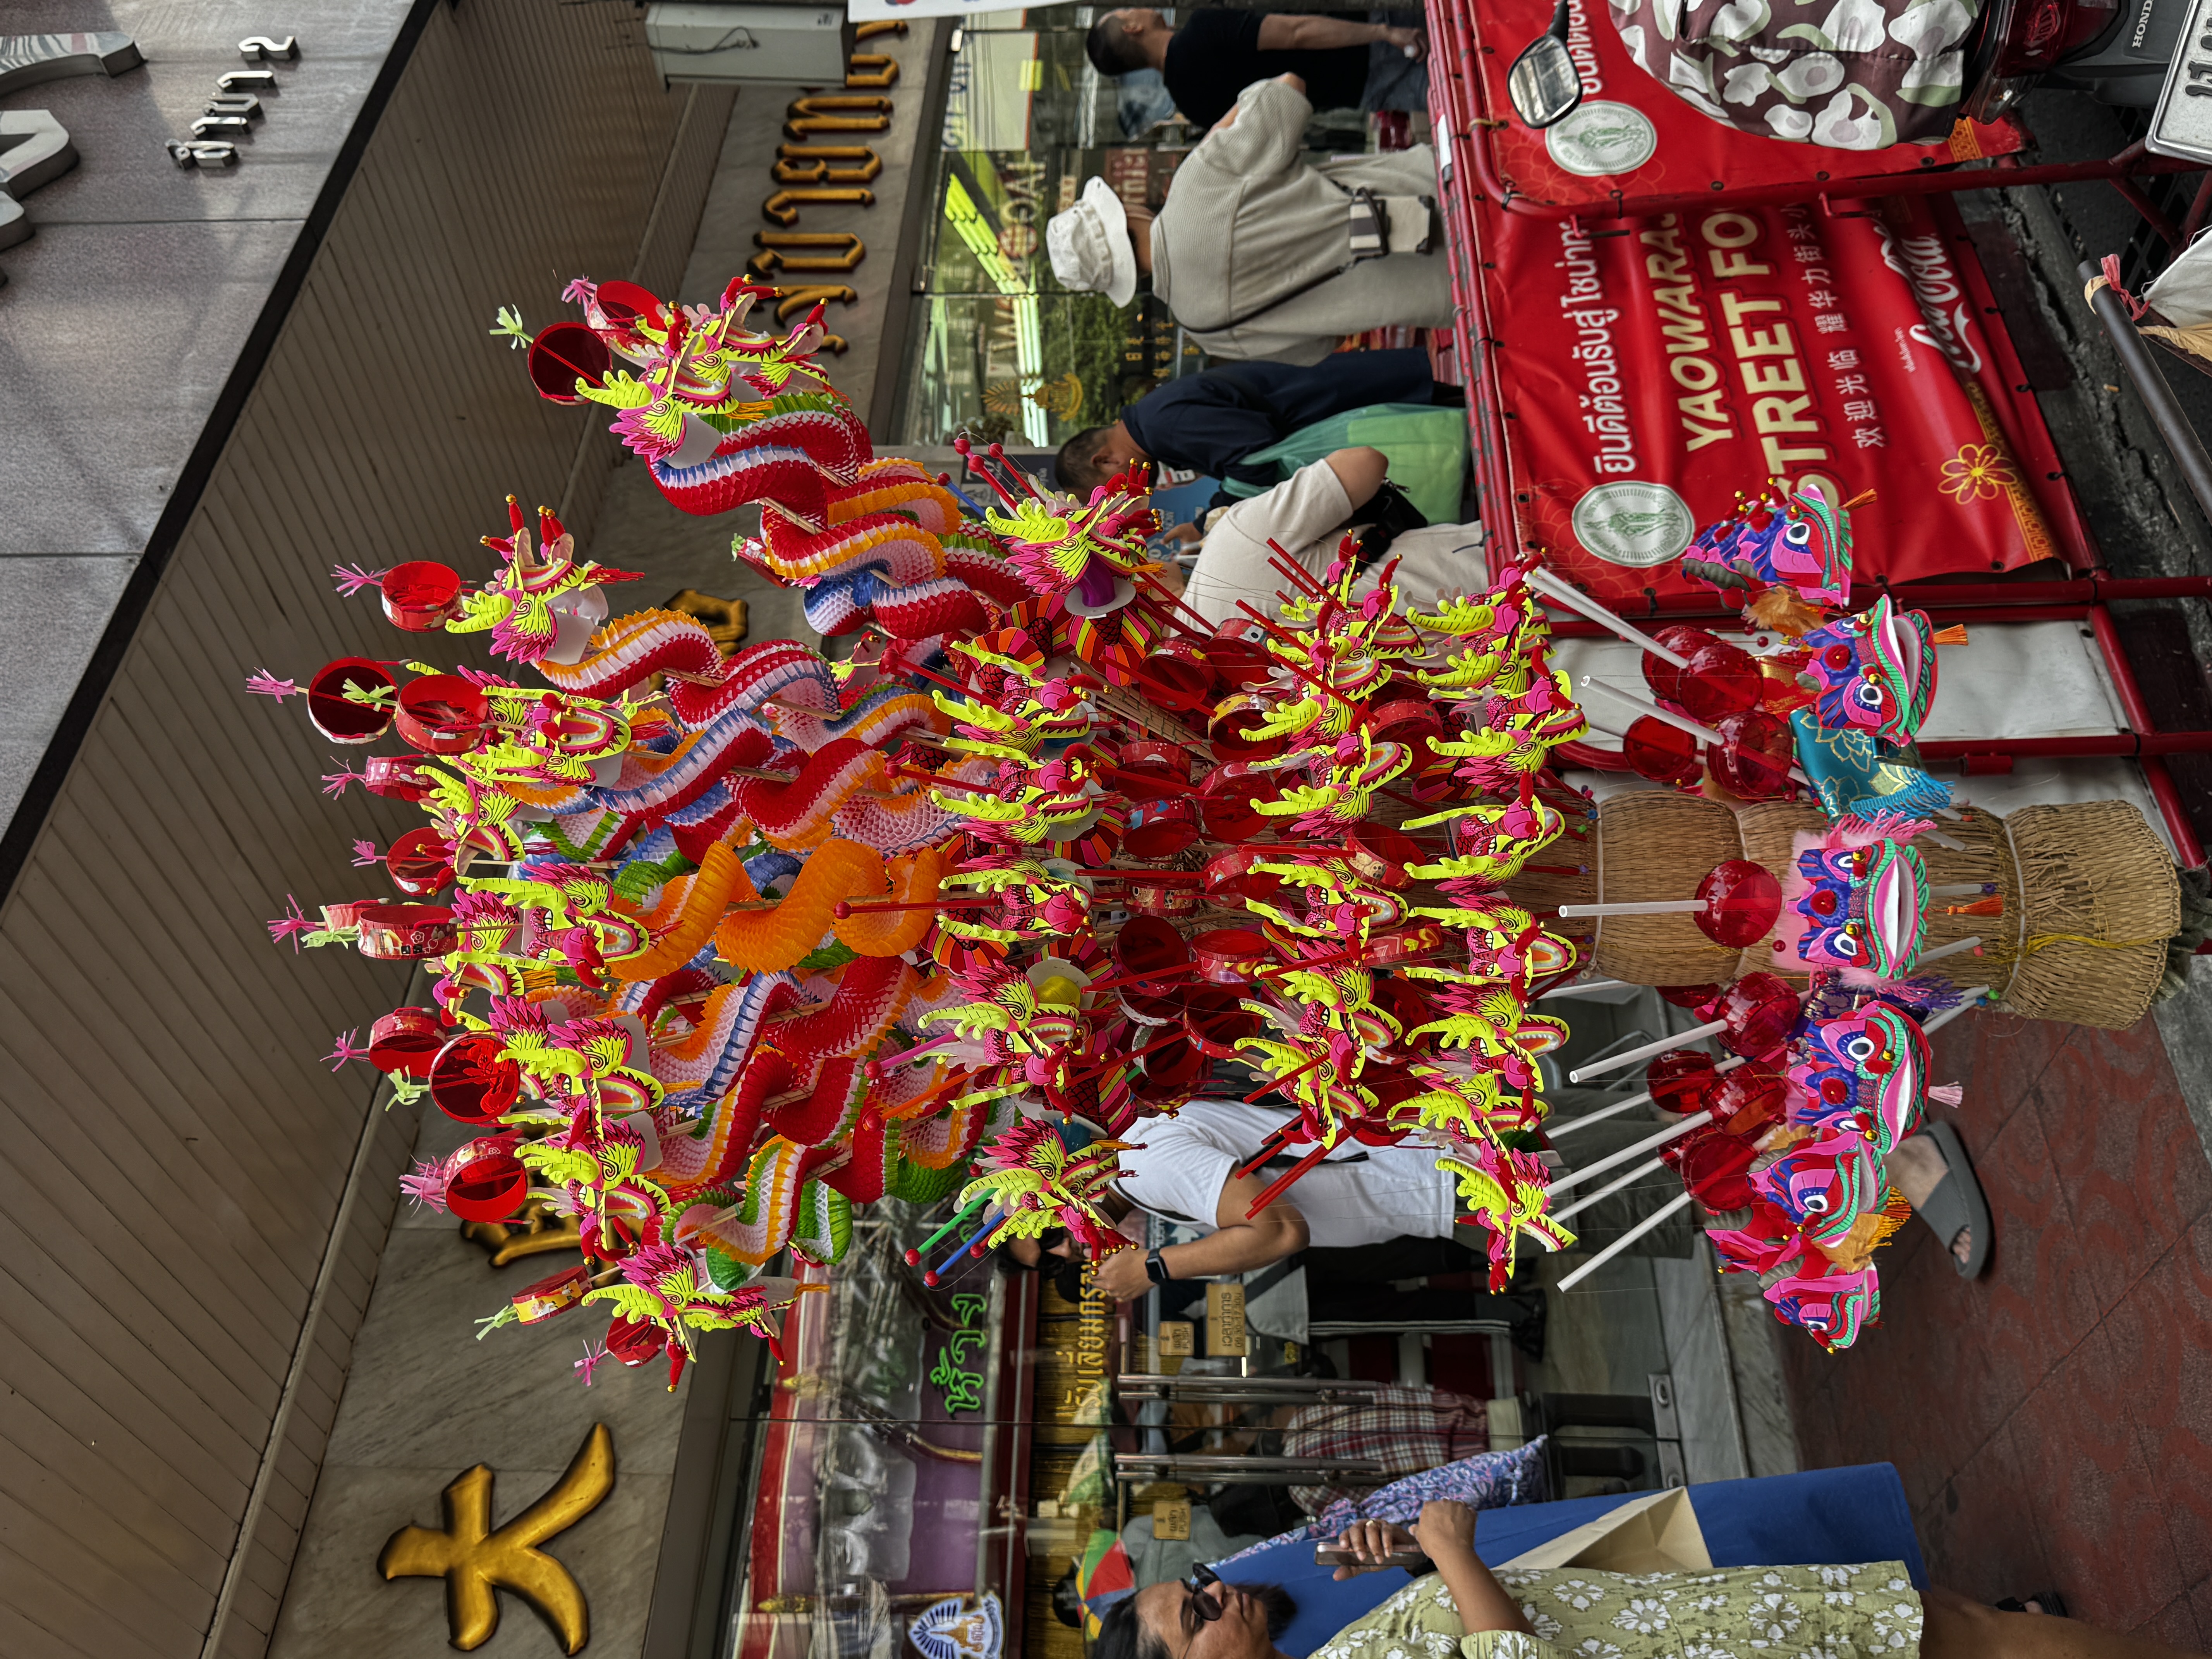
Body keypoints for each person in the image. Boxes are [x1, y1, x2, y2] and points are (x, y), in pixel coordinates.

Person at [1097, 1499, 2203, 1659]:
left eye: (1190, 1582)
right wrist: (1454, 1554)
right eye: (1191, 1618)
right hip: (1691, 1648)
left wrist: (1422, 1562)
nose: (1212, 1594)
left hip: (1683, 1624)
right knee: (1956, 1630)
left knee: (1953, 1629)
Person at [998, 1098, 1547, 1350]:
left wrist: (1155, 1266)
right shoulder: (1137, 1171)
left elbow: (1279, 1232)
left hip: (1457, 1181)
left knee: (1613, 1194)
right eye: (1051, 1263)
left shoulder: (1142, 1164)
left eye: (1051, 1235)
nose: (1066, 1253)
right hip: (1442, 1187)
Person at [1044, 75, 1453, 365]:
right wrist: (1216, 136)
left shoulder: (1205, 329)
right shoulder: (1194, 186)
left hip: (1452, 295)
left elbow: (1322, 344)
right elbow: (1287, 90)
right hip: (1446, 194)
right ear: (1125, 213)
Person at [1054, 351, 1459, 508]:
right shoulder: (1154, 422)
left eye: (1114, 488)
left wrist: (1216, 517)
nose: (1131, 493)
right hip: (1364, 412)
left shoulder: (1162, 426)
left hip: (1377, 419)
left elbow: (1255, 453)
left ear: (1104, 458)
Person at [1172, 448, 1484, 628]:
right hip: (1488, 579)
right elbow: (1365, 463)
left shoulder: (1187, 696)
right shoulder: (1231, 544)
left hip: (1470, 712)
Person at [1084, 7, 1426, 134]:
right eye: (1129, 9)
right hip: (1368, 43)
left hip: (1361, 93)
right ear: (1131, 27)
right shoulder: (1201, 30)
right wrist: (1383, 33)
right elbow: (1297, 32)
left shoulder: (1191, 106)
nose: (1139, 8)